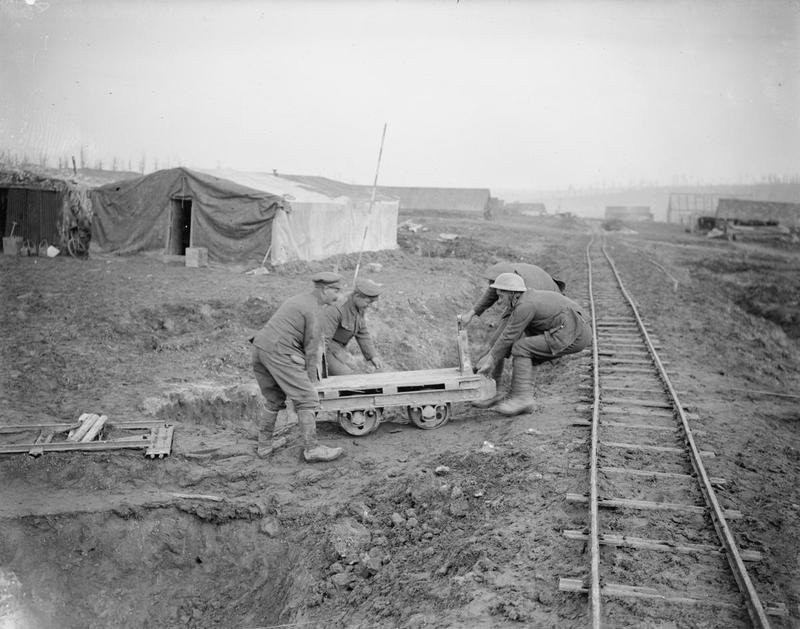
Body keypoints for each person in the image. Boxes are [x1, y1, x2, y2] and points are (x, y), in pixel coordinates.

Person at [250, 271, 345, 462]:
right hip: (278, 352)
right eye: (336, 291)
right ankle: (312, 449)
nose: (338, 296)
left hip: (261, 347)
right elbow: (311, 348)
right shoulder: (315, 310)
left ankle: (265, 446)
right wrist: (311, 382)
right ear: (325, 290)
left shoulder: (301, 299)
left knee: (274, 398)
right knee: (308, 398)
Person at [474, 272, 592, 416]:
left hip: (574, 333)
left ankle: (522, 398)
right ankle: (520, 396)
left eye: (501, 296)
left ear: (512, 293)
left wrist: (490, 359)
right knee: (528, 349)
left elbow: (509, 335)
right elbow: (506, 335)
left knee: (522, 347)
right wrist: (491, 356)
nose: (498, 301)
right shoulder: (523, 301)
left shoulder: (525, 305)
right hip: (572, 330)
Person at [460, 262, 565, 408]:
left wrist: (492, 354)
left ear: (512, 290)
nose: (498, 299)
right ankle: (495, 390)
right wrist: (470, 314)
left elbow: (510, 331)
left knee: (528, 347)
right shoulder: (507, 278)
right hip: (521, 301)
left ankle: (525, 394)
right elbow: (491, 293)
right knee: (497, 342)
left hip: (546, 305)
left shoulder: (525, 289)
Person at [320, 278, 385, 376]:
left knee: (357, 373)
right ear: (357, 296)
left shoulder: (359, 307)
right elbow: (322, 340)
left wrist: (372, 356)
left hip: (339, 348)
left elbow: (362, 332)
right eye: (368, 302)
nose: (369, 306)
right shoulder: (336, 309)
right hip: (325, 349)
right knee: (346, 378)